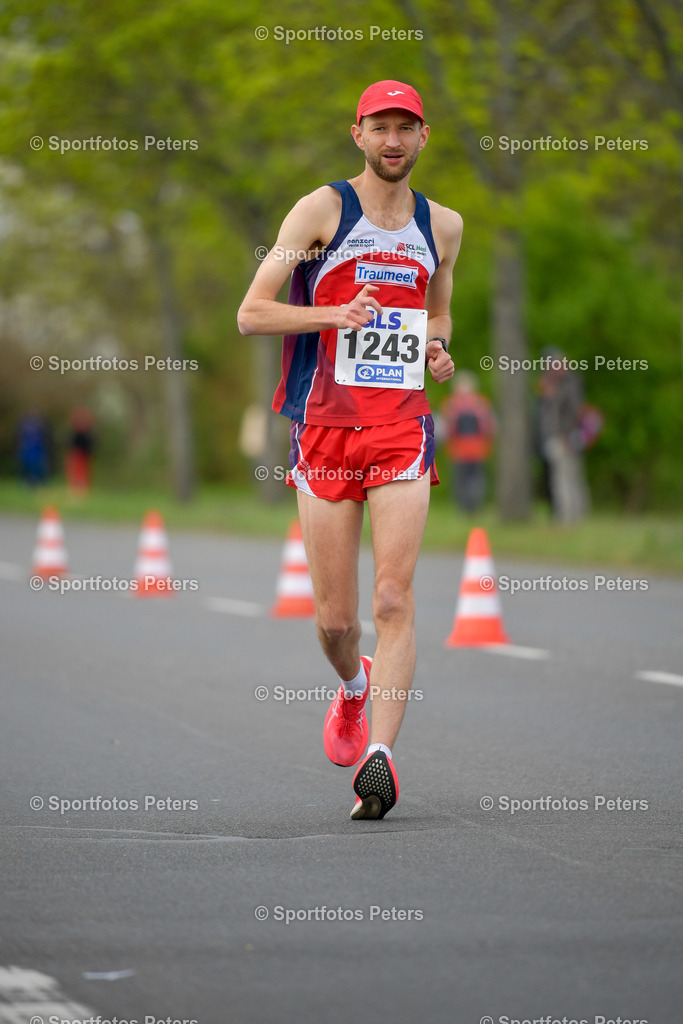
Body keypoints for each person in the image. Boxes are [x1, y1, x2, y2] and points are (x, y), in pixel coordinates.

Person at [238, 81, 462, 819]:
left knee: (393, 597)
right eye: (379, 127)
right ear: (357, 134)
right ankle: (351, 688)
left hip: (401, 426)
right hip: (325, 429)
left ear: (424, 136)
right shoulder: (319, 211)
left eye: (406, 127)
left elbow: (438, 310)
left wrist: (435, 349)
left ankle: (381, 757)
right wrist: (337, 310)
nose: (392, 140)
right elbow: (252, 313)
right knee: (336, 622)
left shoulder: (445, 225)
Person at [536, 348, 590, 523]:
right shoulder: (553, 384)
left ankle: (570, 515)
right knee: (562, 476)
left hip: (565, 436)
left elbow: (573, 412)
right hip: (555, 436)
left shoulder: (569, 383)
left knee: (566, 477)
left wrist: (567, 435)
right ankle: (569, 514)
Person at [441, 371, 496, 513]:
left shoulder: (452, 404)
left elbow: (446, 430)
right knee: (467, 480)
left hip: (472, 449)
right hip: (464, 450)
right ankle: (469, 507)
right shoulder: (479, 403)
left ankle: (470, 507)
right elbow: (490, 427)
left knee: (470, 480)